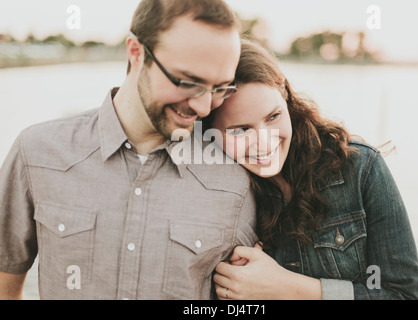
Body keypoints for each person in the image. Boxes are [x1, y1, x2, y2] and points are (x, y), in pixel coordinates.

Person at [0, 0, 258, 300]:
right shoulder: (37, 153)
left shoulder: (237, 182)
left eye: (219, 88)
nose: (202, 107)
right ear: (136, 52)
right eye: (187, 82)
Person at [209, 38, 418, 300]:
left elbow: (405, 295)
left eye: (273, 117)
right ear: (211, 134)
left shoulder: (359, 168)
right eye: (240, 130)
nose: (264, 143)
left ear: (287, 101)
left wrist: (285, 288)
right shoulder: (219, 190)